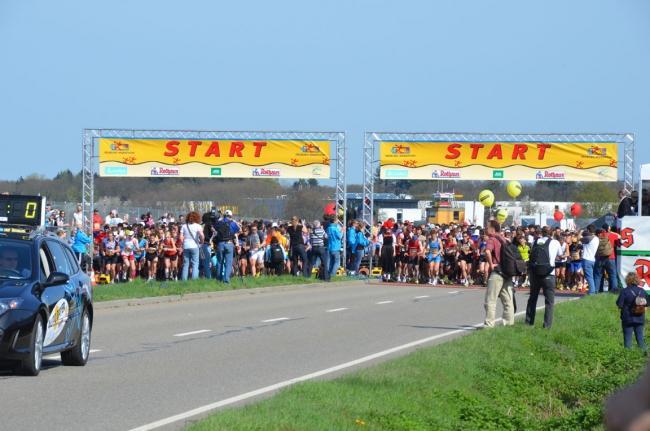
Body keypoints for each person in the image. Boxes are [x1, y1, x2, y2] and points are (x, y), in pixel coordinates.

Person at [525, 226, 563, 329]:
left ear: (541, 232)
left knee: (532, 299)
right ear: (552, 233)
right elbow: (560, 254)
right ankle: (547, 326)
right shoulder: (555, 242)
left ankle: (529, 323)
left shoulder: (535, 241)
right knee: (549, 302)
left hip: (535, 273)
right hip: (549, 274)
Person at [483, 220, 515, 328]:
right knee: (507, 300)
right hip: (507, 271)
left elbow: (487, 251)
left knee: (490, 300)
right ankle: (509, 323)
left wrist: (491, 264)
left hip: (497, 271)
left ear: (492, 229)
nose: (485, 229)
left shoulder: (491, 239)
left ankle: (489, 324)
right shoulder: (504, 239)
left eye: (487, 227)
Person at [616, 272, 647, 352]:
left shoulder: (624, 291)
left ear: (627, 280)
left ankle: (628, 358)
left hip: (627, 318)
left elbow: (619, 304)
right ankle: (645, 355)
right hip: (640, 318)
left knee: (627, 340)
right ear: (637, 280)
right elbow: (647, 304)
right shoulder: (642, 291)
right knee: (640, 339)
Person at [214, 209, 239, 283]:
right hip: (229, 243)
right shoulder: (232, 223)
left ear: (224, 215)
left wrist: (221, 218)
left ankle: (219, 279)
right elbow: (238, 230)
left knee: (219, 262)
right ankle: (226, 280)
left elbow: (214, 227)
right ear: (231, 216)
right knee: (228, 263)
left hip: (220, 244)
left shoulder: (219, 222)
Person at [595, 224, 620, 293]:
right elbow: (620, 237)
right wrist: (611, 232)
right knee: (612, 275)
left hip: (599, 257)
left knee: (598, 275)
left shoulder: (598, 235)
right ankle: (614, 291)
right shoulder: (612, 235)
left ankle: (597, 291)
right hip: (610, 257)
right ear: (608, 229)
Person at [181, 211, 204, 281]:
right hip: (194, 246)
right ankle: (194, 280)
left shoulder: (184, 226)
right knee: (195, 263)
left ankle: (184, 280)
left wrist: (183, 243)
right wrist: (201, 243)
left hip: (186, 246)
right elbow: (202, 235)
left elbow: (180, 237)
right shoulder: (198, 226)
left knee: (185, 264)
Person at [581, 224, 599, 295]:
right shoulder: (596, 238)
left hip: (587, 259)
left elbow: (578, 238)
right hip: (592, 259)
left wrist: (580, 231)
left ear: (588, 230)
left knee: (589, 277)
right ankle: (593, 290)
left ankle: (592, 292)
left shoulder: (589, 238)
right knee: (591, 276)